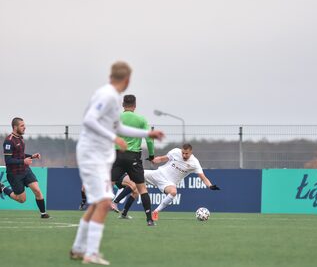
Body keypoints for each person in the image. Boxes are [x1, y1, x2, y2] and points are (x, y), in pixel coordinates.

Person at [70, 61, 164, 265]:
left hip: (100, 154)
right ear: (128, 80)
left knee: (99, 202)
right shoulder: (109, 95)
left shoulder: (108, 95)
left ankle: (78, 249)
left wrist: (147, 133)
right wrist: (113, 138)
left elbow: (118, 126)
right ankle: (91, 253)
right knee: (104, 202)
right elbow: (90, 120)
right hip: (92, 153)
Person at [110, 94, 156, 224]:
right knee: (142, 189)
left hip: (117, 155)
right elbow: (149, 139)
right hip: (133, 157)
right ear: (135, 106)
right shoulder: (141, 120)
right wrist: (151, 155)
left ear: (123, 105)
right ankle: (149, 220)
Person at [146, 143, 220, 221]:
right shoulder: (175, 152)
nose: (184, 155)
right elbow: (162, 159)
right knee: (133, 176)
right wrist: (153, 160)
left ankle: (155, 212)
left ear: (191, 152)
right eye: (183, 153)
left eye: (186, 154)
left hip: (168, 183)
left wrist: (210, 186)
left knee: (173, 192)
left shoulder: (194, 163)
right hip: (158, 174)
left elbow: (203, 178)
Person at [0, 117, 49, 219]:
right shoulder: (9, 141)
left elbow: (20, 155)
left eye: (24, 125)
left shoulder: (20, 138)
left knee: (37, 190)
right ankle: (2, 188)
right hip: (14, 173)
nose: (25, 127)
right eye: (22, 126)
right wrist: (24, 161)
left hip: (25, 169)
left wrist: (32, 156)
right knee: (22, 200)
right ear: (15, 127)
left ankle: (43, 214)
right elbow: (8, 160)